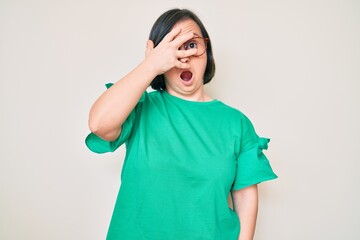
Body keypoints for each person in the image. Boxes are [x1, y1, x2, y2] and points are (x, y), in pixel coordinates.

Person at [85, 8, 277, 240]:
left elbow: (245, 197)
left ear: (207, 52)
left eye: (191, 45)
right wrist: (150, 65)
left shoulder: (237, 124)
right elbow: (99, 125)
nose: (183, 57)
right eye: (173, 47)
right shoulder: (140, 107)